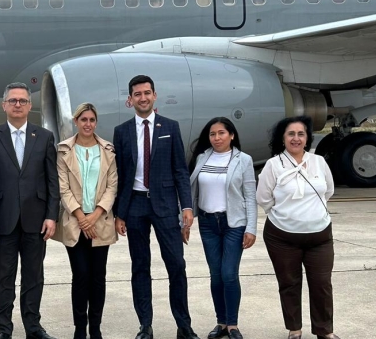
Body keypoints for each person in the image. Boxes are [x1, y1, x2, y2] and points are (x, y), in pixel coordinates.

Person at [112, 75, 200, 339]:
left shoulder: (170, 127)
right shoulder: (122, 131)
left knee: (176, 265)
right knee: (140, 266)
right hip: (135, 205)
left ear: (155, 95)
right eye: (137, 94)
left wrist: (187, 206)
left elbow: (180, 171)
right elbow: (119, 175)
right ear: (130, 100)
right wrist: (120, 212)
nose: (143, 98)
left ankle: (184, 326)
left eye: (147, 93)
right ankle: (145, 325)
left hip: (164, 206)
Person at [0, 82, 60, 339]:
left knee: (33, 277)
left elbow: (52, 181)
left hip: (36, 220)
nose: (17, 105)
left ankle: (33, 327)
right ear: (4, 105)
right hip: (2, 220)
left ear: (30, 105)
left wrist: (51, 215)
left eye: (22, 101)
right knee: (2, 278)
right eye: (13, 100)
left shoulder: (45, 137)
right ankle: (4, 328)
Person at [257, 116, 339, 339]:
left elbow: (328, 191)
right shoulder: (273, 165)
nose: (296, 138)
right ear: (282, 139)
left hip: (320, 235)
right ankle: (295, 329)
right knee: (289, 283)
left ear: (307, 138)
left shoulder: (319, 162)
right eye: (290, 134)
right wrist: (288, 215)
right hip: (282, 237)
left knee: (322, 284)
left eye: (300, 134)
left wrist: (310, 214)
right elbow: (263, 198)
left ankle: (324, 330)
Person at [50, 103, 118, 339]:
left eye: (91, 120)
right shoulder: (63, 151)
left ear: (95, 122)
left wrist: (95, 215)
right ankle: (80, 328)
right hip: (75, 222)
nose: (87, 124)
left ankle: (96, 328)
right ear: (76, 122)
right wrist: (81, 217)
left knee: (98, 278)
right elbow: (63, 187)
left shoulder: (108, 150)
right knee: (80, 276)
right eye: (83, 120)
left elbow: (112, 187)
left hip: (100, 222)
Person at [187, 118, 257, 339]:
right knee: (216, 275)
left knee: (228, 274)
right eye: (212, 134)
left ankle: (233, 324)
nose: (216, 138)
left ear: (232, 135)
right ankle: (221, 322)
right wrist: (185, 222)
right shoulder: (202, 157)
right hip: (207, 223)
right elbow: (192, 192)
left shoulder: (243, 160)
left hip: (233, 224)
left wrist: (252, 228)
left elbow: (250, 196)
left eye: (221, 133)